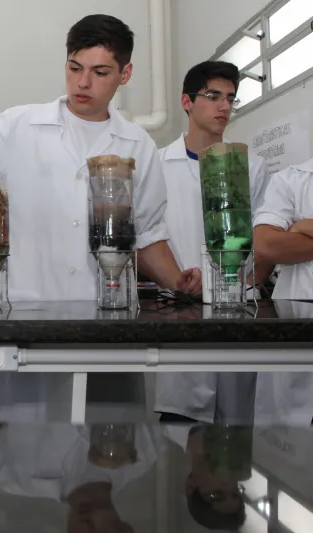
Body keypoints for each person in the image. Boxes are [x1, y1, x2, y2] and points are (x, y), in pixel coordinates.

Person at [0, 14, 201, 414]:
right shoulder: (19, 124)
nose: (83, 83)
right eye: (75, 68)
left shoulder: (137, 144)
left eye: (100, 71)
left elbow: (148, 235)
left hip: (105, 323)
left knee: (106, 453)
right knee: (16, 457)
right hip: (24, 321)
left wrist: (179, 281)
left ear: (125, 74)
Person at [154, 61, 269, 424]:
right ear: (187, 102)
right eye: (213, 96)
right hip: (180, 308)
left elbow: (265, 234)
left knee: (235, 437)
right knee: (180, 433)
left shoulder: (253, 166)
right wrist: (174, 279)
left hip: (239, 308)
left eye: (231, 99)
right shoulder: (158, 166)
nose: (224, 107)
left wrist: (250, 281)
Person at [251, 156, 313, 424]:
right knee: (290, 454)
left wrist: (302, 229)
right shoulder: (291, 179)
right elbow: (266, 245)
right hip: (299, 331)